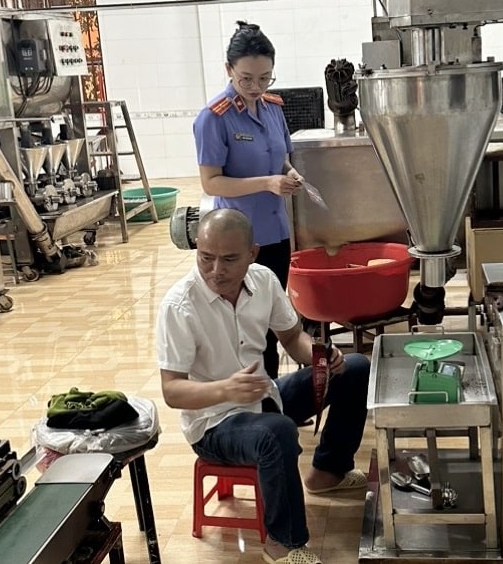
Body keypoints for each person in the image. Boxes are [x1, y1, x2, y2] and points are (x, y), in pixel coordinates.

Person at [156, 209, 370, 564]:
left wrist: (320, 356)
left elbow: (292, 338)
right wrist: (227, 390)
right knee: (277, 431)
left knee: (355, 368)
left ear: (252, 253)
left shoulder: (264, 280)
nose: (215, 270)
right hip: (214, 423)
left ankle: (327, 472)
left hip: (262, 397)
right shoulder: (180, 305)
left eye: (229, 259)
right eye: (206, 257)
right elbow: (172, 391)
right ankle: (283, 543)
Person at [193, 21, 301, 380]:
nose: (256, 87)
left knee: (273, 320)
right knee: (246, 327)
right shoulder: (214, 118)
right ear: (229, 70)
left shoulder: (272, 108)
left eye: (265, 78)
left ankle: (272, 394)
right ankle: (248, 395)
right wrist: (268, 183)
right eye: (247, 79)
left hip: (276, 234)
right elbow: (211, 182)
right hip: (238, 241)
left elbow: (281, 158)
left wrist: (289, 173)